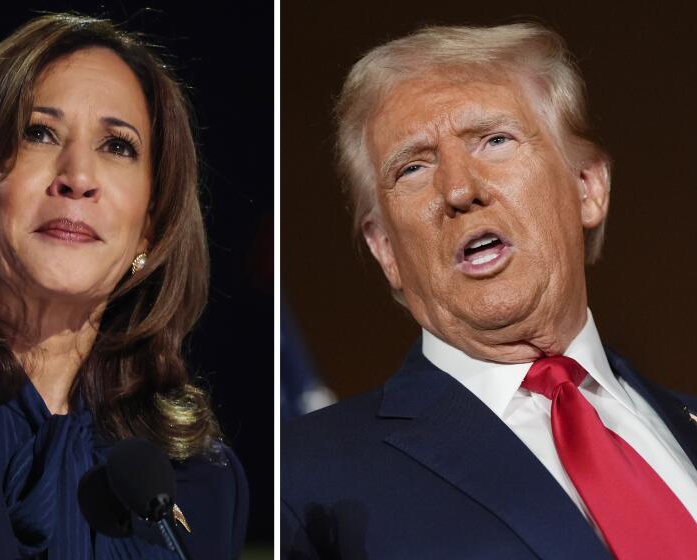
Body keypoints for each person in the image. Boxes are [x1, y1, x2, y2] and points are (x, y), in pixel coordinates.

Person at [282, 23, 697, 559]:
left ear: (587, 187)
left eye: (495, 140)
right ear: (386, 248)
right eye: (412, 167)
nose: (458, 190)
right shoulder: (307, 480)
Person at [0, 13, 248, 560]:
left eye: (117, 146)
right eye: (38, 133)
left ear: (150, 225)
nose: (78, 177)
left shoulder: (204, 482)